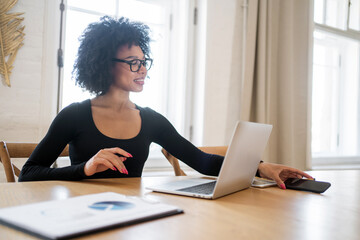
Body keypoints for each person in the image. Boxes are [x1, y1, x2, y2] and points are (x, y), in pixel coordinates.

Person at [18, 16, 312, 189]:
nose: (143, 70)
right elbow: (29, 173)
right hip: (83, 217)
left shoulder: (151, 119)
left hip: (134, 216)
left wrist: (262, 168)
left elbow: (200, 160)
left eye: (144, 62)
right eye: (133, 63)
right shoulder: (74, 115)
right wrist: (85, 168)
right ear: (103, 65)